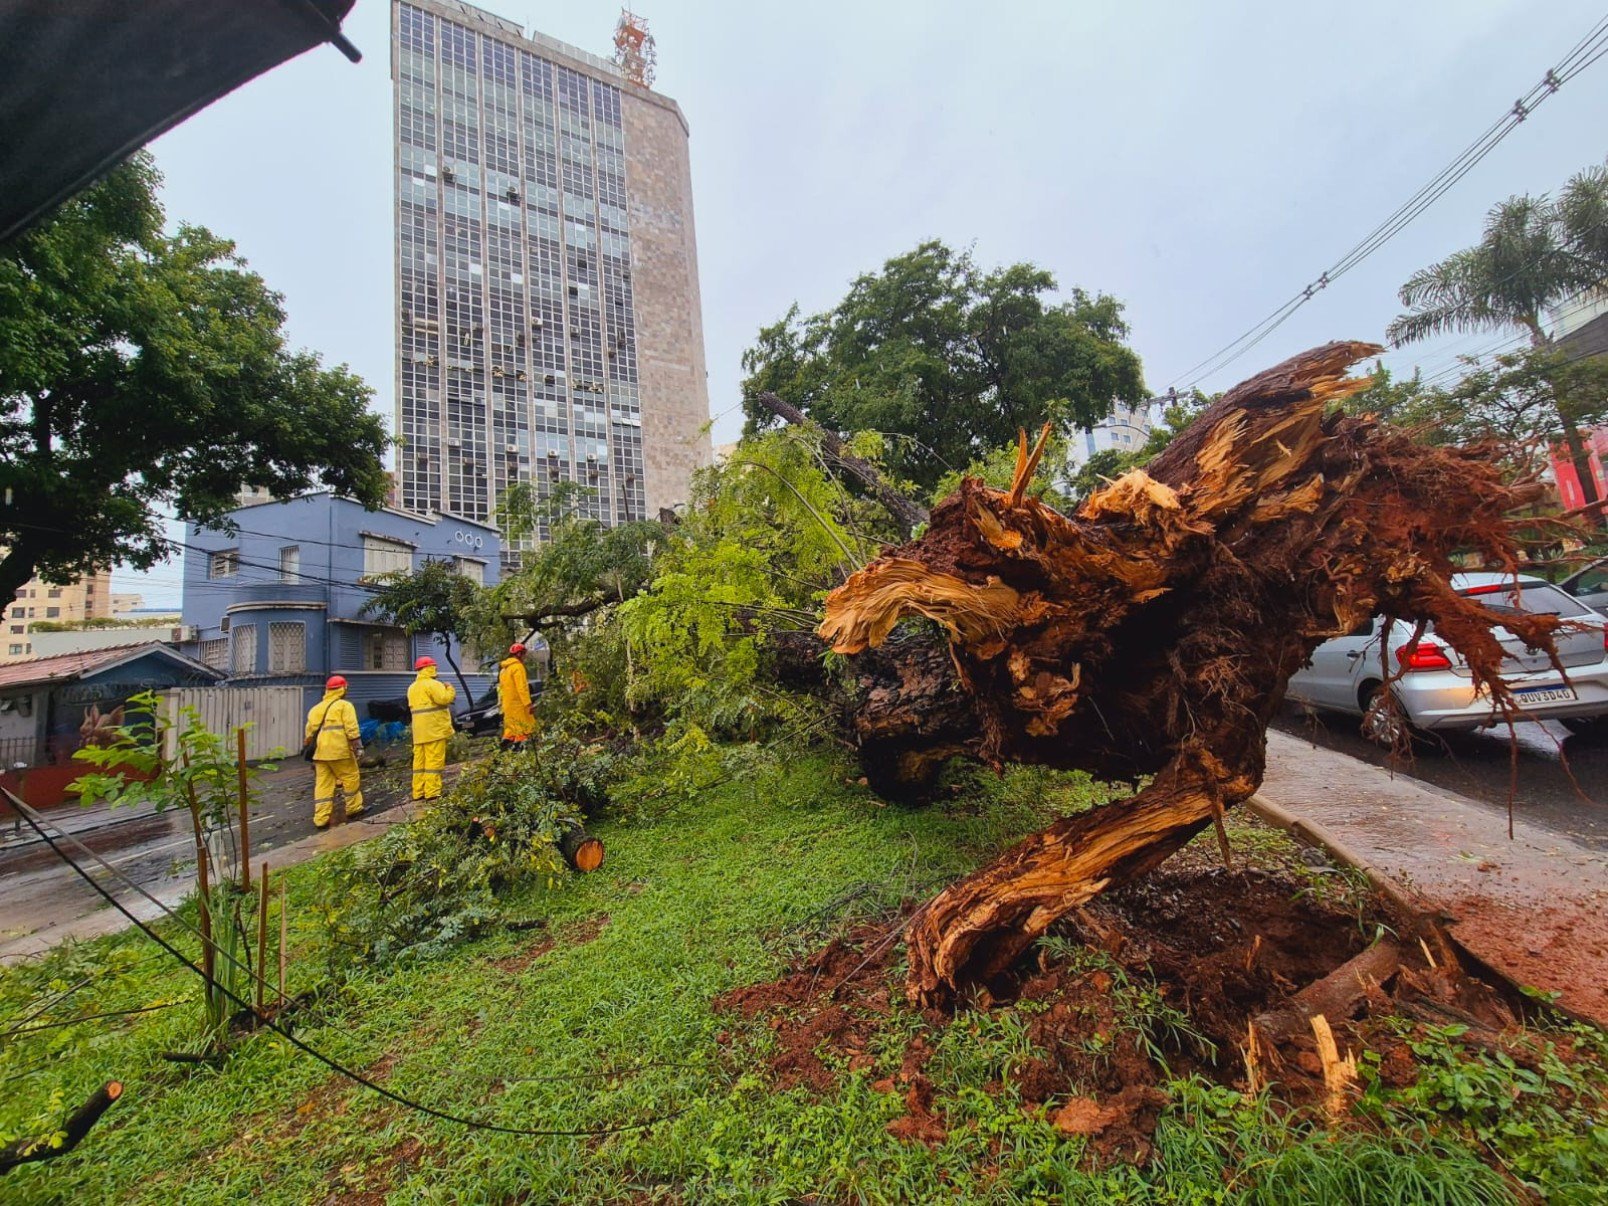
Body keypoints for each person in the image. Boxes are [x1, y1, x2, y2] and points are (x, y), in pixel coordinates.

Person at [305, 675, 363, 830]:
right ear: (342, 689)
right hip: (339, 751)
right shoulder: (344, 706)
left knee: (323, 785)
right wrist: (358, 747)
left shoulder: (315, 709)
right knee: (351, 778)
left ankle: (321, 819)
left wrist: (312, 759)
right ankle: (354, 809)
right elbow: (351, 728)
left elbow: (309, 735)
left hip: (319, 754)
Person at [407, 655, 456, 801]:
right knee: (433, 763)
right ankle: (432, 793)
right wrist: (450, 688)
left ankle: (418, 792)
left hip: (419, 732)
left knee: (419, 763)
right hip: (434, 730)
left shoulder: (412, 687)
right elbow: (444, 699)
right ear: (430, 668)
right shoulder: (433, 684)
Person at [498, 642, 536, 751]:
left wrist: (501, 704)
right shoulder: (518, 667)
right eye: (523, 654)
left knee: (510, 730)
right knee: (523, 729)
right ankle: (519, 751)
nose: (524, 657)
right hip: (518, 704)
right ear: (519, 654)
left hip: (507, 705)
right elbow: (522, 688)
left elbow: (501, 689)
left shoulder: (504, 670)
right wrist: (528, 704)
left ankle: (504, 748)